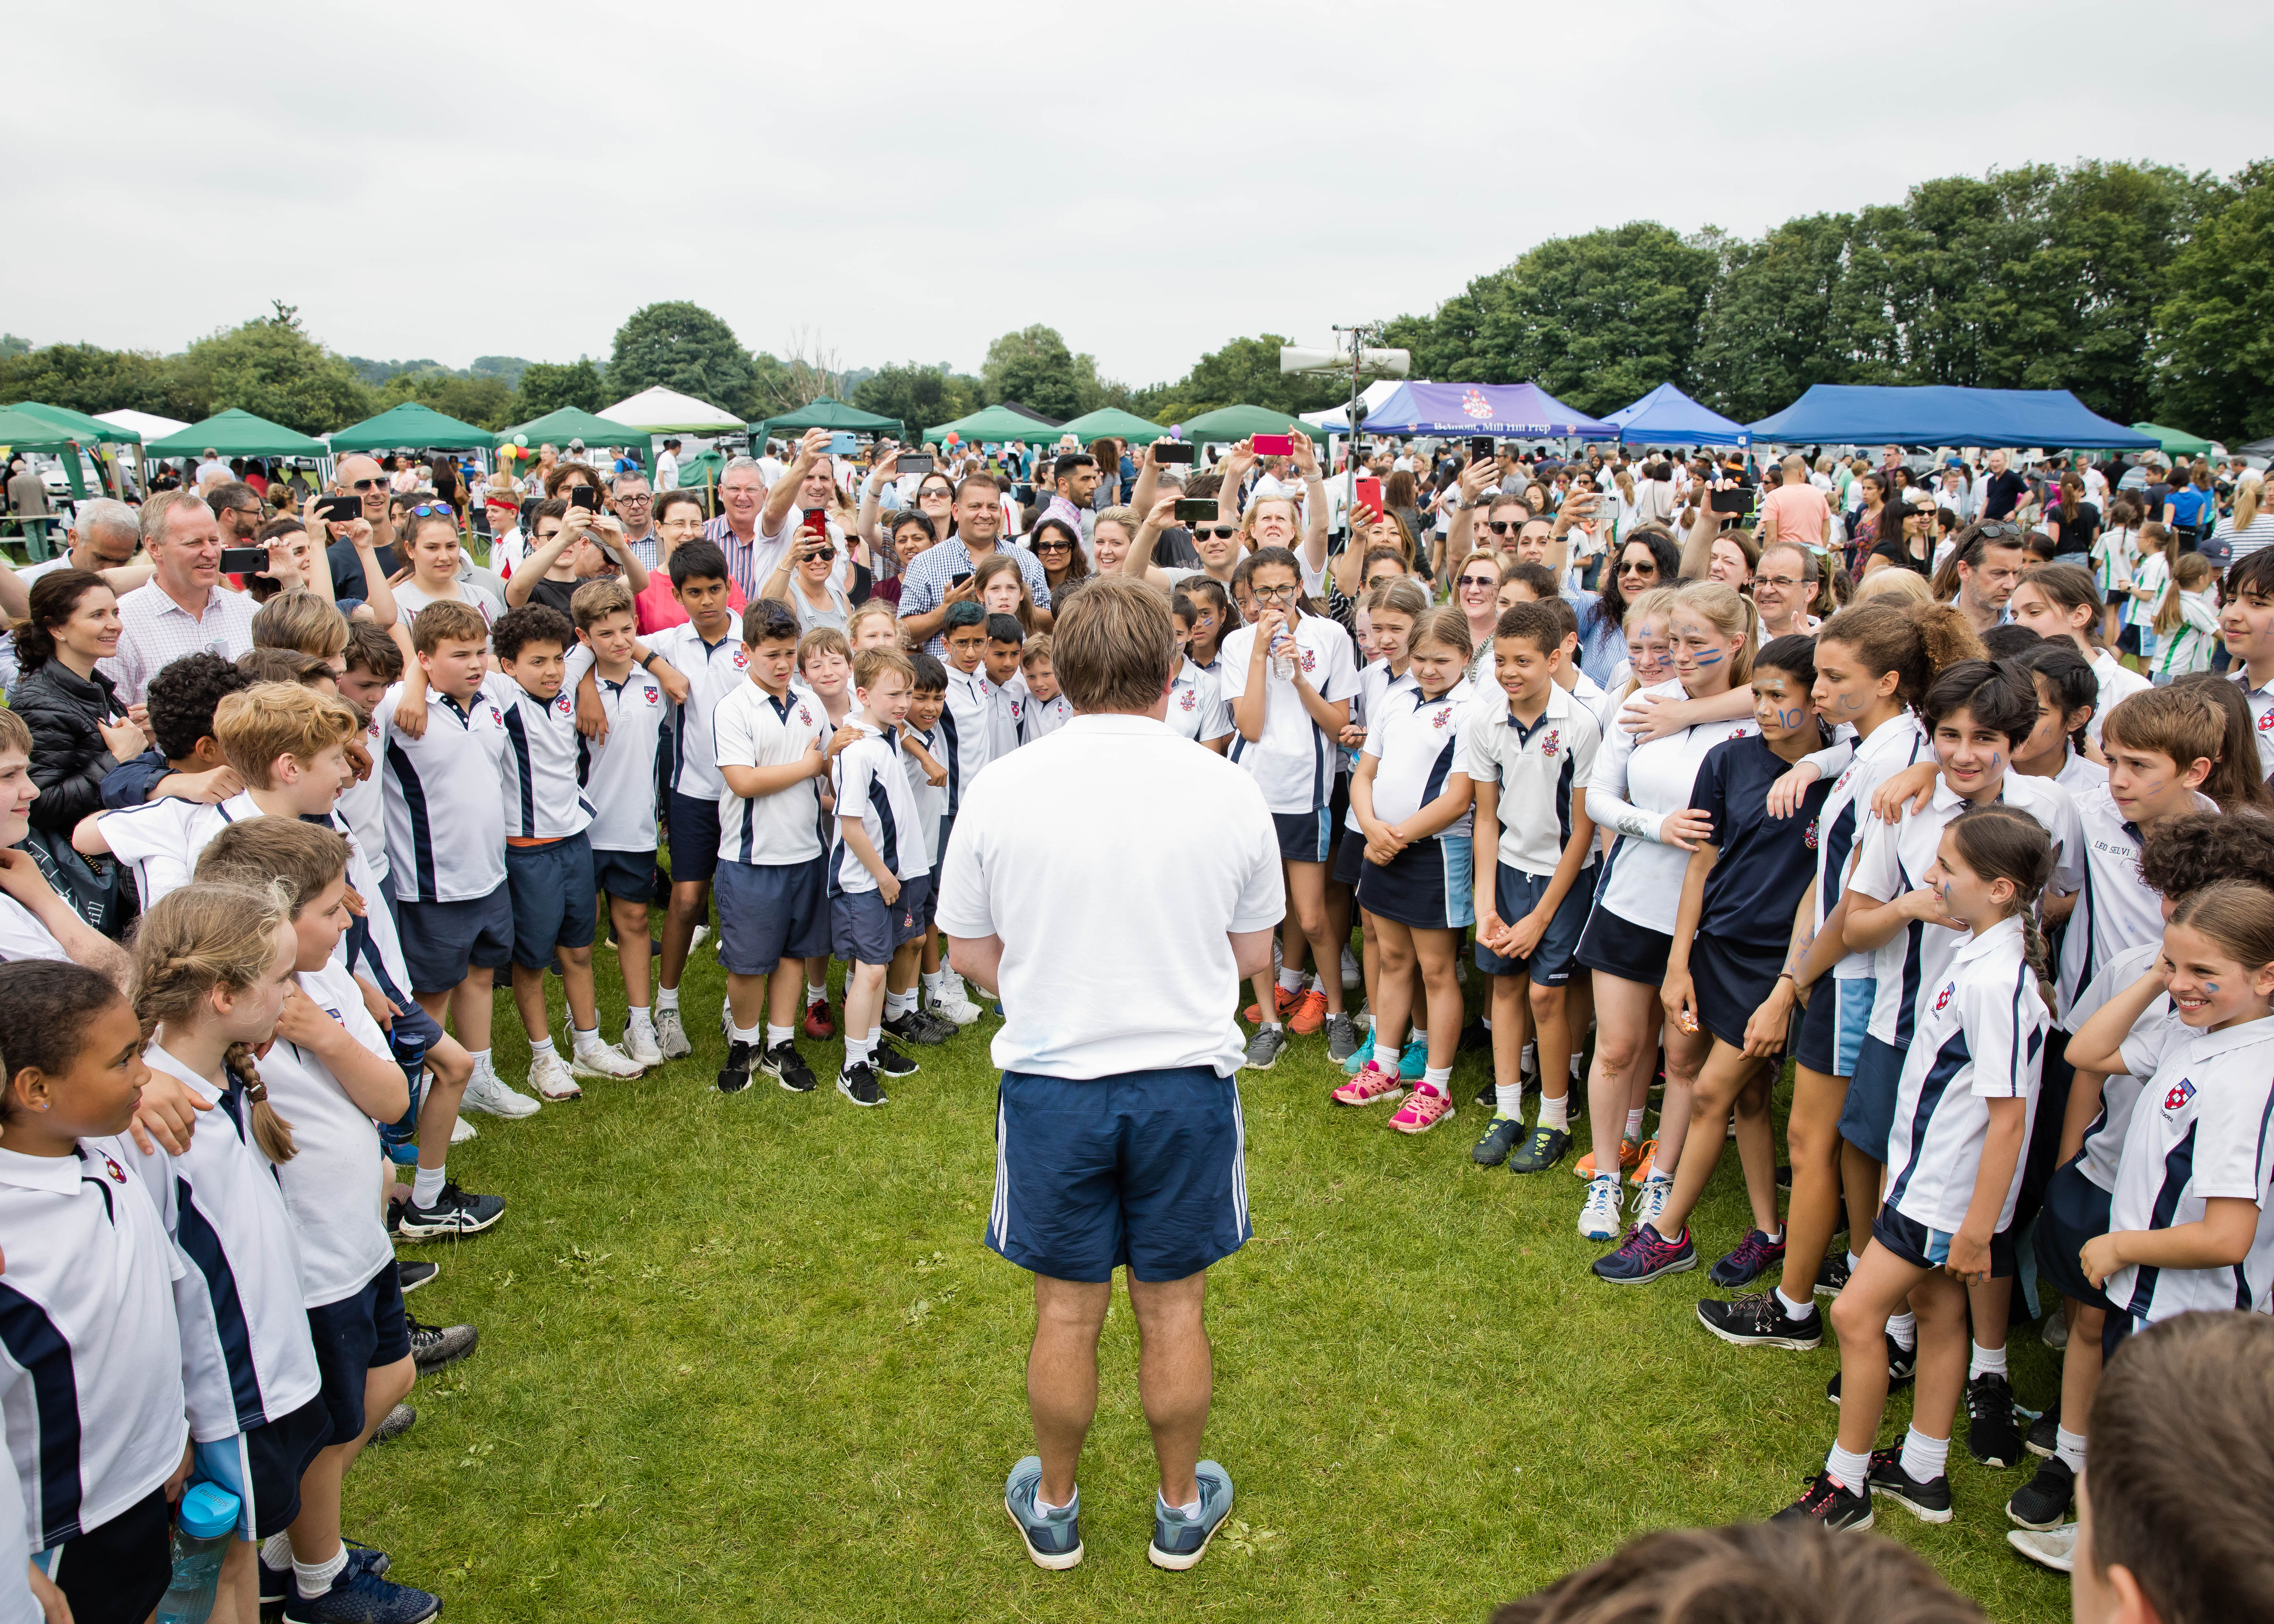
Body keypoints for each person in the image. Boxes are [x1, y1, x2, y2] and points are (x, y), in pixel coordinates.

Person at [937, 575, 1281, 1574]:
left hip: (1055, 1083)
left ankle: (1055, 1503)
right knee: (1173, 1305)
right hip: (1181, 1081)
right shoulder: (1223, 784)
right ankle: (1177, 1507)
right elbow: (1254, 950)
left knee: (1065, 1308)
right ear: (1172, 674)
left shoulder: (1004, 784)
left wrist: (1053, 992)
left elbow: (966, 948)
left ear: (1063, 672)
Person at [185, 821, 449, 1624]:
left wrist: (326, 1036)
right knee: (326, 1426)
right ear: (272, 919)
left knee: (390, 1377)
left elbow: (393, 1102)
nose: (352, 916)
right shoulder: (229, 1021)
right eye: (333, 907)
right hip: (308, 1264)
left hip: (357, 1238)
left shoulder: (325, 984)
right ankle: (317, 1581)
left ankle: (281, 1551)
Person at [1777, 806, 2054, 1532]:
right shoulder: (1976, 955)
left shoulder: (1995, 982)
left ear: (1998, 889)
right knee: (1933, 1311)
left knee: (1852, 1311)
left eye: (1946, 869)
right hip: (1926, 1178)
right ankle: (1922, 1469)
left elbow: (2008, 1118)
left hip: (1940, 1193)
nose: (1929, 878)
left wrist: (1974, 1229)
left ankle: (1846, 1486)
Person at [121, 883, 336, 1624]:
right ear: (221, 993)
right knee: (225, 1568)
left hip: (272, 1374)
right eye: (279, 979)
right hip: (229, 1398)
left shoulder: (210, 1079)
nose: (293, 990)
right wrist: (178, 1421)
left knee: (246, 1552)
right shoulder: (151, 1122)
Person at [1595, 635, 1835, 1287]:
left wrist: (1789, 988)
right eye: (1755, 692)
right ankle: (1768, 1230)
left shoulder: (1844, 776)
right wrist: (1678, 965)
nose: (1760, 707)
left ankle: (1666, 1233)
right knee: (1751, 1096)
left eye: (1776, 695)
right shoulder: (1728, 761)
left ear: (1818, 698)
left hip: (1779, 966)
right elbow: (1701, 864)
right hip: (1715, 949)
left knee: (1709, 1093)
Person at [0, 961, 193, 1624]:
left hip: (146, 1484)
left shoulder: (98, 1146)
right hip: (60, 1532)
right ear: (36, 1088)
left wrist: (170, 1438)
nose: (145, 1072)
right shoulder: (12, 1230)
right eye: (124, 1059)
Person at [1575, 582, 1759, 1242]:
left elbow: (1822, 737)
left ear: (1737, 642)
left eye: (1692, 642)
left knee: (1683, 1060)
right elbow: (1598, 798)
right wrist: (1657, 825)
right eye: (1669, 640)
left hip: (1709, 920)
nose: (1675, 655)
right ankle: (1604, 1178)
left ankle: (1663, 1175)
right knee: (1618, 1047)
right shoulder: (1644, 702)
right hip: (1630, 902)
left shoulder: (1760, 716)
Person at [1456, 601, 1602, 1174]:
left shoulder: (1581, 724)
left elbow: (1583, 829)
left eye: (1524, 661)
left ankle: (1555, 1117)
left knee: (1547, 996)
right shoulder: (1486, 720)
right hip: (1508, 874)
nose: (1509, 672)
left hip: (1564, 879)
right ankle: (1509, 1109)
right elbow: (1486, 818)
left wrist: (1540, 917)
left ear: (1557, 656)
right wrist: (1486, 904)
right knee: (1506, 990)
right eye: (1501, 660)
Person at [1334, 607, 1476, 1130]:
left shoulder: (1474, 709)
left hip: (1435, 853)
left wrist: (1395, 837)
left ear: (1466, 656)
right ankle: (1385, 1065)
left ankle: (1436, 1087)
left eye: (1442, 659)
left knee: (1437, 970)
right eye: (1420, 658)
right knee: (1392, 958)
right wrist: (1371, 827)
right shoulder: (1396, 699)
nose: (1429, 669)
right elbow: (1364, 773)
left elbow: (1460, 797)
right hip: (1382, 847)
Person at [1222, 547, 1361, 1069]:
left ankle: (1336, 1012)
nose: (1274, 601)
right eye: (1264, 593)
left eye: (1284, 589)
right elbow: (1251, 727)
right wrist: (1260, 653)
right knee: (1259, 915)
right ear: (1250, 597)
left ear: (1300, 588)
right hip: (1251, 795)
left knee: (1311, 915)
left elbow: (1336, 725)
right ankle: (1270, 1021)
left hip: (1306, 793)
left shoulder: (1330, 638)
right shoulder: (1238, 644)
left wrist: (1300, 675)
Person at [708, 600, 833, 1096]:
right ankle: (745, 1041)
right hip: (751, 858)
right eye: (771, 655)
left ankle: (780, 1042)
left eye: (789, 653)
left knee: (793, 955)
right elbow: (743, 782)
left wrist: (825, 772)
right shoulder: (733, 709)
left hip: (805, 852)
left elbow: (826, 764)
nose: (783, 664)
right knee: (747, 960)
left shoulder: (809, 703)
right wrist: (808, 766)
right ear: (747, 653)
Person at [644, 542, 752, 1060]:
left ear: (729, 586)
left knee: (738, 903)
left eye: (715, 589)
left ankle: (737, 1006)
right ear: (678, 595)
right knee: (687, 901)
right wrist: (656, 665)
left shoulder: (749, 641)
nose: (707, 601)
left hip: (747, 794)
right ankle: (663, 1008)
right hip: (691, 794)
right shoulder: (668, 642)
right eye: (694, 593)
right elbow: (606, 641)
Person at [564, 580, 668, 1067]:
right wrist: (586, 681)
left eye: (627, 630)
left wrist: (650, 659)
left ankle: (640, 1021)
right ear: (584, 637)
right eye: (605, 634)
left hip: (635, 829)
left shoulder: (655, 682)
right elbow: (567, 661)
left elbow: (679, 684)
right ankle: (583, 1027)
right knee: (578, 935)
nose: (619, 641)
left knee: (634, 923)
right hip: (580, 831)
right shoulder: (569, 683)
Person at [825, 648, 933, 1104]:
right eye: (894, 694)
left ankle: (868, 1048)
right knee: (869, 972)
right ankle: (852, 1066)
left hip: (894, 875)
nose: (904, 702)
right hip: (866, 881)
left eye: (907, 693)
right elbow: (850, 825)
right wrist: (884, 876)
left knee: (880, 964)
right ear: (864, 693)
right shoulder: (858, 749)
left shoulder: (885, 736)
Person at [10, 569, 143, 835]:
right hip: (82, 864)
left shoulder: (95, 687)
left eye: (115, 613)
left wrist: (142, 737)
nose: (115, 625)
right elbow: (40, 805)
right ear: (57, 628)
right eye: (98, 615)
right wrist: (117, 757)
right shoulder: (38, 703)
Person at [99, 491, 257, 710]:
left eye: (214, 540)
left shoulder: (250, 612)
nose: (211, 553)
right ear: (154, 548)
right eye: (194, 543)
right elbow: (113, 719)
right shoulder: (122, 624)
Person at [897, 476, 1052, 656]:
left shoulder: (1027, 561)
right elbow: (904, 633)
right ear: (956, 511)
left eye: (992, 507)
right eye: (975, 507)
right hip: (951, 680)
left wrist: (1018, 603)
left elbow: (1049, 624)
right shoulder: (925, 562)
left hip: (1015, 679)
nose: (985, 514)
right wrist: (946, 611)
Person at [2007, 563, 2147, 740]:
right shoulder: (2014, 681)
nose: (2019, 624)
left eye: (2034, 612)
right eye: (2015, 616)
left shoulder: (2131, 691)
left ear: (2079, 615)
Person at [1930, 521, 2028, 635]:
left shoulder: (2023, 627)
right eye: (1998, 574)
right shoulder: (1932, 628)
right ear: (1965, 570)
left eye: (2015, 573)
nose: (2011, 585)